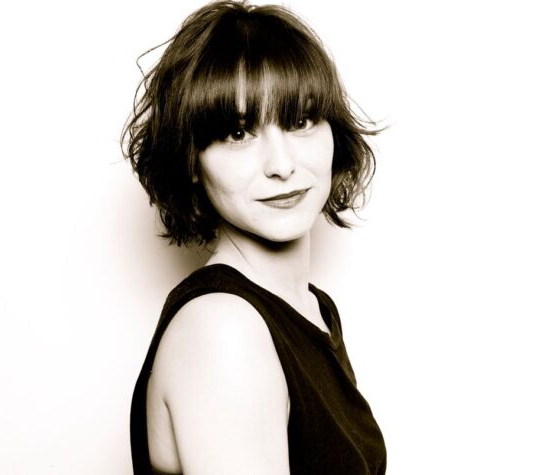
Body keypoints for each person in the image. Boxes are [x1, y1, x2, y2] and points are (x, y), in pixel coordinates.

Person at [123, 1, 386, 473]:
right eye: (238, 133)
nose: (281, 165)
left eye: (300, 121)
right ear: (192, 162)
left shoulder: (311, 307)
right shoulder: (223, 330)